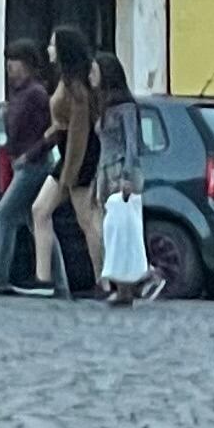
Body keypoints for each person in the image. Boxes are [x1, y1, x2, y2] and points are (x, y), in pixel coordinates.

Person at [28, 29, 98, 303]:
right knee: (40, 210)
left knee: (87, 220)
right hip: (69, 155)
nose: (48, 49)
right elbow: (63, 122)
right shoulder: (67, 81)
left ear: (64, 49)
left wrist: (70, 175)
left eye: (53, 44)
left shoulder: (76, 87)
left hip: (77, 158)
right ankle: (43, 279)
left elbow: (79, 134)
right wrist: (49, 135)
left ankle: (102, 280)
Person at [90, 50, 155, 307]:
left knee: (123, 231)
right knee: (113, 231)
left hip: (120, 172)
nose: (90, 76)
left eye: (94, 71)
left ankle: (138, 279)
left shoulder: (126, 108)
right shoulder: (105, 107)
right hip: (106, 172)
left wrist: (127, 177)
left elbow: (132, 145)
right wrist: (97, 178)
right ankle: (123, 287)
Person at [0, 41, 50, 294]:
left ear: (28, 64)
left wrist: (29, 156)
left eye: (14, 61)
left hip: (33, 165)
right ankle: (58, 282)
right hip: (21, 163)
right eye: (8, 61)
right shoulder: (19, 94)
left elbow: (50, 133)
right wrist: (5, 118)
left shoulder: (36, 94)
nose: (9, 66)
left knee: (4, 215)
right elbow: (14, 134)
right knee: (38, 222)